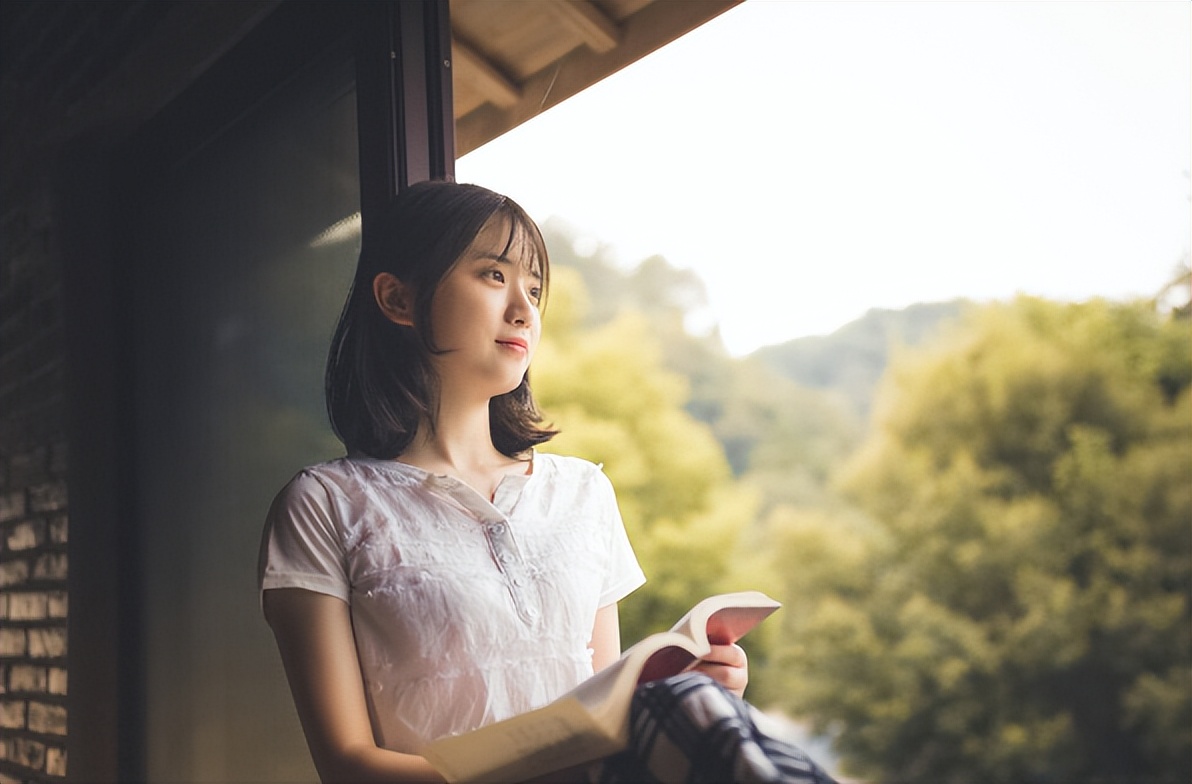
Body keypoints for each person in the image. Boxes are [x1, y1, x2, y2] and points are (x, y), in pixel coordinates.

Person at [258, 181, 753, 783]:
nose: (524, 309)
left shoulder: (582, 493)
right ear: (397, 298)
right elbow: (349, 766)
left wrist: (684, 696)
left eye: (535, 289)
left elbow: (601, 723)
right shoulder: (325, 505)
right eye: (494, 275)